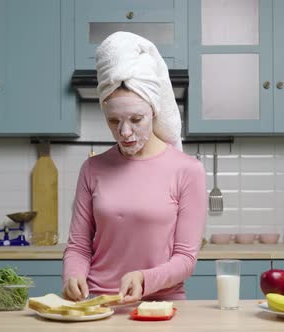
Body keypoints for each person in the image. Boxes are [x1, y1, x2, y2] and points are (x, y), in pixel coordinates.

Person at [62, 31, 206, 303]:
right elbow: (79, 247)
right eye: (113, 121)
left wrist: (144, 278)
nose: (125, 132)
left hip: (163, 305)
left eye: (136, 119)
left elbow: (186, 258)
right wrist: (72, 275)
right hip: (98, 304)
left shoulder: (187, 170)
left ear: (154, 110)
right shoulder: (92, 168)